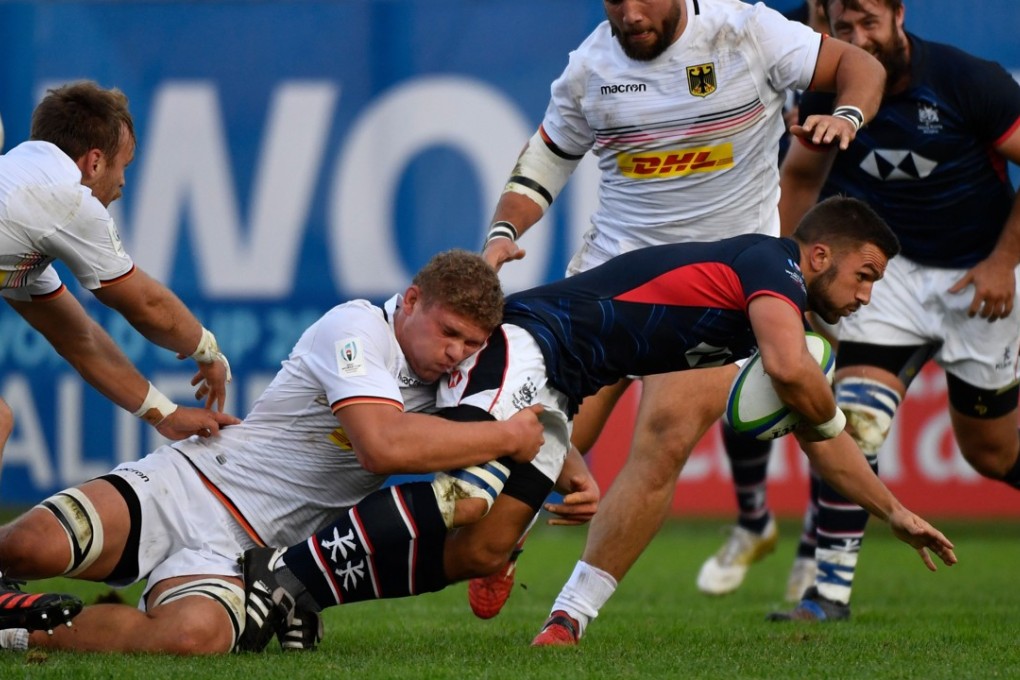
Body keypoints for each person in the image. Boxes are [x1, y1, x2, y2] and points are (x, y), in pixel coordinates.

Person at [238, 197, 957, 650]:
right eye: (865, 274)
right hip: (529, 342)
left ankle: (308, 592)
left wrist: (895, 511)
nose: (866, 296)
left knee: (486, 548)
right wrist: (819, 394)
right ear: (821, 255)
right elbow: (799, 376)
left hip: (562, 388)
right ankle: (285, 575)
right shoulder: (773, 264)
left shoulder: (784, 322)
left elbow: (825, 445)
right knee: (468, 496)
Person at [469, 0, 886, 637]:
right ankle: (503, 539)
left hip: (724, 290)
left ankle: (569, 617)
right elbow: (548, 158)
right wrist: (504, 230)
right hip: (616, 279)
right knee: (557, 435)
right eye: (616, 2)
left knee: (664, 436)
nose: (630, 13)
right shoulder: (591, 66)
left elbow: (858, 64)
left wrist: (848, 114)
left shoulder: (748, 32)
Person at [0, 250, 547, 655]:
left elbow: (526, 405)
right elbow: (381, 447)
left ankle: (17, 635)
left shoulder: (455, 382)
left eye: (472, 345)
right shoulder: (355, 329)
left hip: (255, 563)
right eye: (448, 332)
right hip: (194, 483)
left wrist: (564, 468)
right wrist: (507, 438)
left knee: (192, 639)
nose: (455, 353)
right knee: (29, 548)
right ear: (409, 302)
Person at [707, 0, 1020, 621]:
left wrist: (1002, 261)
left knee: (993, 454)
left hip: (979, 276)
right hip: (890, 278)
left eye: (868, 23)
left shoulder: (969, 81)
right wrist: (785, 279)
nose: (858, 40)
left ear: (899, 15)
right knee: (856, 421)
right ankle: (828, 596)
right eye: (841, 29)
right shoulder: (831, 94)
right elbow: (799, 179)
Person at [0, 81, 238, 632]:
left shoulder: (21, 203)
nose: (123, 185)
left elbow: (80, 339)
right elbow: (146, 304)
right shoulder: (64, 200)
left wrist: (166, 413)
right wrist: (207, 349)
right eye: (123, 167)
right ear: (94, 160)